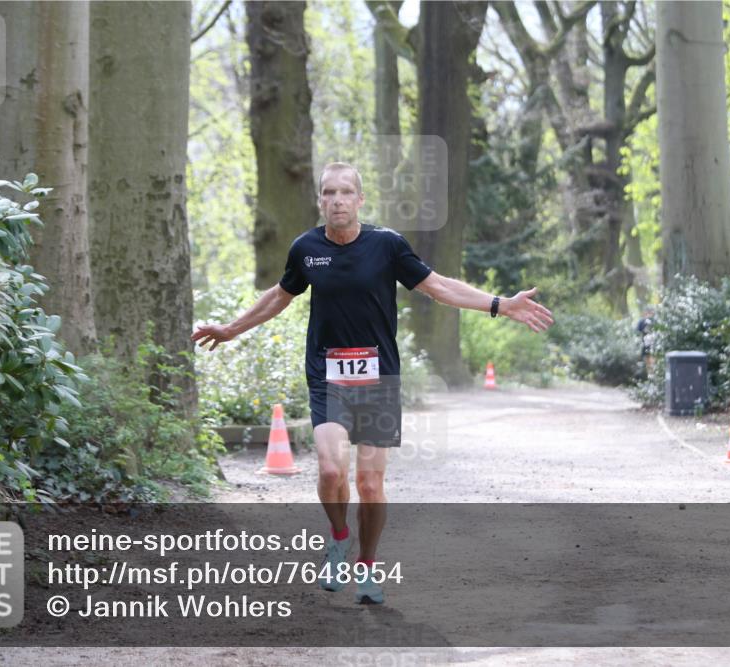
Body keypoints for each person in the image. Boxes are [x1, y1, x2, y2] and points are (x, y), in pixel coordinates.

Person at [192, 162, 554, 605]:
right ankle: (339, 538)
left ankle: (367, 565)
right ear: (320, 200)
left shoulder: (386, 246)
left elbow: (438, 287)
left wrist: (499, 304)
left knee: (369, 484)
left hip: (378, 377)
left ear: (360, 200)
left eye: (346, 192)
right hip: (328, 376)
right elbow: (279, 296)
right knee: (329, 468)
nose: (337, 200)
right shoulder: (306, 248)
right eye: (329, 193)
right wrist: (230, 329)